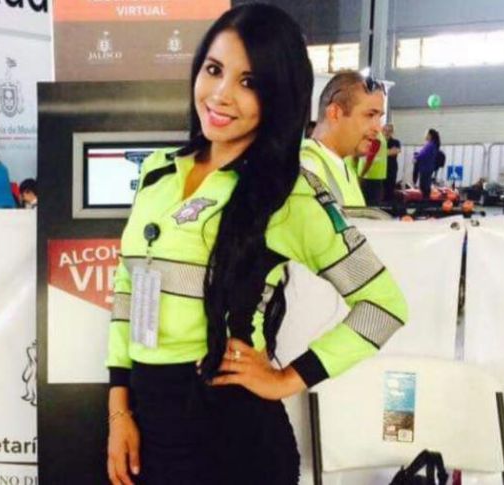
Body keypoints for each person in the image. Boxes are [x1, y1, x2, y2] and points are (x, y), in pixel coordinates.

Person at [105, 5, 408, 485]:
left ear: (279, 94)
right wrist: (119, 410)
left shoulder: (289, 192)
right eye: (214, 70)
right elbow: (127, 285)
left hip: (235, 438)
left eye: (248, 82)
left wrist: (287, 379)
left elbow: (383, 305)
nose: (221, 94)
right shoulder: (158, 171)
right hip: (152, 423)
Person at [299, 70, 389, 208]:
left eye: (379, 117)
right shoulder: (305, 170)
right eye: (370, 115)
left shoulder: (341, 167)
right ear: (334, 113)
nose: (378, 128)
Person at [413, 128, 441, 201]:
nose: (425, 135)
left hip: (425, 167)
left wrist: (416, 157)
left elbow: (423, 155)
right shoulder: (433, 144)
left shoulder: (430, 145)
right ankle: (426, 198)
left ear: (430, 135)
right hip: (428, 167)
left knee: (424, 185)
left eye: (427, 134)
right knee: (426, 184)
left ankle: (424, 200)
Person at [382, 123, 401, 203]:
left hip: (391, 168)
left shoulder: (396, 142)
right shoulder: (379, 142)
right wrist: (388, 151)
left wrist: (382, 152)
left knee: (390, 188)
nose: (387, 132)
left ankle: (389, 205)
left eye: (389, 131)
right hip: (381, 169)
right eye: (385, 130)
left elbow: (395, 151)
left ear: (392, 132)